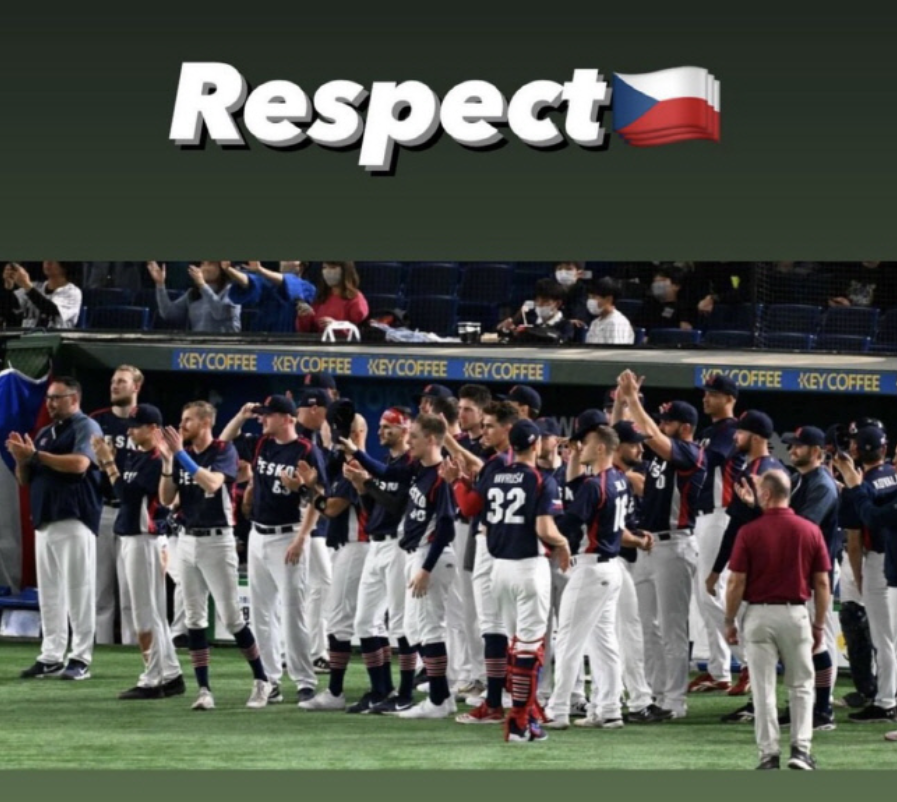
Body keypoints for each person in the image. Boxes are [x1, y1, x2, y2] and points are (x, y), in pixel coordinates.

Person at [156, 400, 271, 710]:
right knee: (194, 618)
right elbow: (167, 499)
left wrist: (179, 453)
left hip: (217, 541)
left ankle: (262, 680)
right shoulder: (183, 456)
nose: (182, 427)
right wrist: (168, 462)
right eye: (182, 420)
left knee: (232, 616)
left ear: (205, 423)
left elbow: (214, 481)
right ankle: (204, 689)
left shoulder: (223, 450)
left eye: (188, 421)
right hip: (188, 539)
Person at [345, 414, 460, 719]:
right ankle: (442, 696)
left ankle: (436, 700)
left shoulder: (441, 475)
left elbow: (447, 528)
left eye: (417, 437)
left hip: (430, 555)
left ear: (433, 440)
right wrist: (357, 452)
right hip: (415, 554)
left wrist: (426, 568)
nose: (411, 441)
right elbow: (387, 473)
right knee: (413, 628)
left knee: (429, 630)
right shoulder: (417, 469)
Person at [219, 394, 326, 706]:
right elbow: (223, 444)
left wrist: (302, 538)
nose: (262, 419)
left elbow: (317, 496)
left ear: (287, 418)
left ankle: (305, 680)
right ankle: (269, 679)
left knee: (293, 612)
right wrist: (241, 415)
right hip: (258, 534)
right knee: (262, 613)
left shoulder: (305, 450)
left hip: (288, 534)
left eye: (268, 415)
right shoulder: (261, 444)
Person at [724, 469, 831, 770]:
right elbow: (821, 583)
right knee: (801, 686)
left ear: (767, 494)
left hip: (758, 615)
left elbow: (736, 582)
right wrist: (819, 623)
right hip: (795, 613)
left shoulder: (749, 532)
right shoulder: (810, 531)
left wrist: (729, 620)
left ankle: (768, 755)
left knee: (763, 687)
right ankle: (801, 750)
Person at [614, 370, 706, 719]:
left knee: (672, 629)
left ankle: (674, 702)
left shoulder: (691, 453)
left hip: (676, 545)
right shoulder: (657, 456)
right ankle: (652, 696)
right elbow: (628, 433)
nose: (661, 425)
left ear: (684, 427)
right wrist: (624, 401)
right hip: (648, 546)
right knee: (645, 627)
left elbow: (649, 434)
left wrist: (634, 399)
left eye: (669, 421)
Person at [480, 419, 571, 742]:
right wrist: (563, 543)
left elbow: (487, 526)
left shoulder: (493, 477)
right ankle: (519, 720)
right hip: (529, 566)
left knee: (514, 645)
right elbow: (545, 530)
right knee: (529, 649)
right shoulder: (540, 479)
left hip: (498, 567)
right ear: (535, 445)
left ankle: (527, 711)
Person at [545, 417, 638, 730]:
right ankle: (610, 709)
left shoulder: (595, 485)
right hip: (611, 568)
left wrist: (544, 530)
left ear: (599, 448)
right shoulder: (618, 479)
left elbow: (569, 523)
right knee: (604, 642)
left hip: (590, 568)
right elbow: (577, 489)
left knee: (568, 641)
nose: (578, 448)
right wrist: (573, 458)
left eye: (584, 444)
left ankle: (557, 710)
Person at [7, 377, 103, 680]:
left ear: (74, 399)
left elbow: (79, 465)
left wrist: (35, 456)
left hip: (75, 518)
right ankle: (51, 655)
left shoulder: (85, 427)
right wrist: (21, 460)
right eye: (49, 398)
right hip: (45, 520)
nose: (50, 403)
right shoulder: (47, 432)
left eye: (56, 398)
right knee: (50, 594)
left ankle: (81, 657)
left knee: (79, 591)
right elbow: (25, 480)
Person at [91, 405, 185, 699]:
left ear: (153, 429)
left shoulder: (158, 459)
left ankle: (154, 678)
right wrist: (112, 465)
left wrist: (108, 464)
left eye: (136, 426)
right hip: (130, 533)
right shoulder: (136, 455)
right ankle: (170, 674)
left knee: (147, 612)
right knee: (148, 610)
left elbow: (128, 496)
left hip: (146, 537)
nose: (130, 430)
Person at [709, 410, 784, 720]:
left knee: (759, 639)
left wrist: (715, 570)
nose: (735, 438)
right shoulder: (779, 469)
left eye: (739, 433)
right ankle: (765, 705)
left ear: (754, 437)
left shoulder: (753, 473)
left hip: (758, 566)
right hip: (778, 564)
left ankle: (760, 707)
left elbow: (738, 525)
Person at [342, 407, 415, 714]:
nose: (382, 432)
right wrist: (361, 488)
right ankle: (380, 689)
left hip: (399, 546)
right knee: (365, 621)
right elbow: (374, 508)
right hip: (376, 544)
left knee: (401, 624)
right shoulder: (386, 462)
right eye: (381, 427)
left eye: (389, 427)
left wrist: (367, 481)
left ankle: (406, 692)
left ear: (404, 430)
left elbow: (398, 504)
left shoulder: (411, 463)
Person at [836, 426, 897, 724]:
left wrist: (859, 577)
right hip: (890, 560)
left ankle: (885, 701)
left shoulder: (863, 484)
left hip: (881, 562)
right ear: (884, 450)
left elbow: (857, 535)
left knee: (884, 637)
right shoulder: (891, 477)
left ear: (857, 451)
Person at [689, 374, 741, 694]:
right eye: (706, 393)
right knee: (703, 594)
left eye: (713, 393)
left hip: (721, 515)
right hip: (703, 517)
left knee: (712, 592)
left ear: (729, 398)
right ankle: (719, 670)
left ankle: (747, 660)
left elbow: (711, 459)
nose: (706, 398)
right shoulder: (710, 431)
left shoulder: (731, 430)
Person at [90, 365, 143, 646]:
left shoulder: (144, 421)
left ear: (136, 387)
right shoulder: (97, 421)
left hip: (134, 511)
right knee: (101, 591)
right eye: (113, 381)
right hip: (104, 508)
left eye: (121, 381)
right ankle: (101, 647)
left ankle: (132, 649)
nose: (114, 386)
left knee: (130, 590)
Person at [147, 261, 241, 333]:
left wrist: (203, 286)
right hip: (198, 349)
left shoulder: (233, 290)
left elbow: (220, 313)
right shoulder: (193, 293)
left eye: (211, 264)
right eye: (203, 263)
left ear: (222, 268)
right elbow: (168, 313)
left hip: (226, 349)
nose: (205, 268)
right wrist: (160, 285)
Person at [224, 261, 316, 332]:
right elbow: (249, 282)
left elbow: (288, 281)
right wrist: (229, 270)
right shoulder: (269, 285)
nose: (284, 262)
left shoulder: (307, 288)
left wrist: (260, 270)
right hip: (267, 343)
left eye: (289, 260)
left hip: (293, 345)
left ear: (301, 266)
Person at [295, 261, 369, 334]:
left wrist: (336, 325)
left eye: (333, 267)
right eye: (324, 268)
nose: (327, 271)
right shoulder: (321, 297)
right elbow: (306, 330)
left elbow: (357, 330)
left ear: (345, 271)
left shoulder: (355, 298)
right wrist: (304, 317)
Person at [3, 261, 82, 329]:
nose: (48, 262)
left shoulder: (72, 291)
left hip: (57, 342)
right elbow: (12, 306)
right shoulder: (35, 286)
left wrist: (26, 285)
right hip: (27, 341)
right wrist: (8, 286)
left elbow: (51, 310)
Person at [497, 279, 575, 343]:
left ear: (557, 303)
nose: (540, 304)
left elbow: (561, 341)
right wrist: (506, 329)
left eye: (545, 301)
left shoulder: (566, 325)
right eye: (537, 301)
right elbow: (507, 338)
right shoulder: (528, 320)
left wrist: (527, 333)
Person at [639, 265, 696, 333]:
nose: (656, 285)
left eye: (661, 281)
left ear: (676, 286)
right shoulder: (648, 305)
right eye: (655, 281)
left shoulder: (684, 309)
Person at [584, 277, 635, 345]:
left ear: (608, 299)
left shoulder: (617, 322)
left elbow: (615, 353)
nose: (590, 301)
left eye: (594, 297)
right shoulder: (595, 323)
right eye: (589, 297)